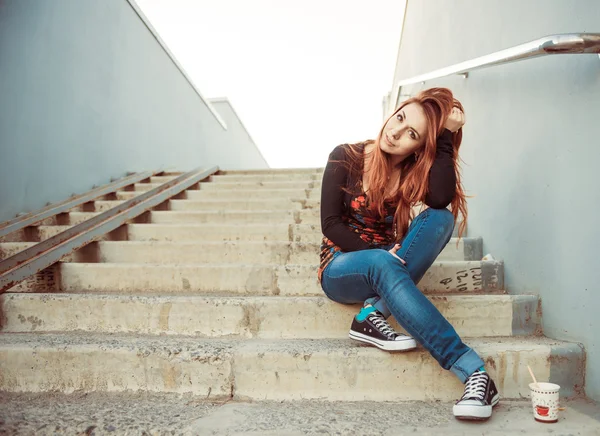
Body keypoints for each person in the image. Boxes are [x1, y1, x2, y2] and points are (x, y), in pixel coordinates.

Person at [318, 87, 500, 420]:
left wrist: (444, 136)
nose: (396, 133)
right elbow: (330, 224)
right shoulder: (346, 155)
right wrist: (381, 252)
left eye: (412, 134)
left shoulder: (414, 173)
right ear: (394, 111)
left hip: (390, 264)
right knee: (381, 262)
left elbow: (441, 198)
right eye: (400, 119)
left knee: (441, 218)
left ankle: (371, 315)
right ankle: (472, 370)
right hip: (342, 266)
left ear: (421, 145)